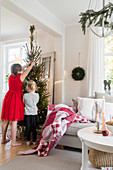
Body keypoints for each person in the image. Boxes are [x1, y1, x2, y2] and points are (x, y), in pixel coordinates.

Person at [1, 61, 35, 146]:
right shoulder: (21, 76)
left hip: (8, 97)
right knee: (14, 121)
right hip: (16, 99)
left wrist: (26, 65)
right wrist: (31, 65)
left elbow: (20, 70)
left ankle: (3, 139)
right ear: (19, 71)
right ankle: (13, 142)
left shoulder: (11, 76)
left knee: (6, 120)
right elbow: (27, 71)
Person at [23, 80, 39, 145]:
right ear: (35, 87)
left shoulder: (25, 95)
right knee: (34, 128)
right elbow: (36, 102)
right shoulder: (37, 95)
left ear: (28, 88)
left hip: (27, 114)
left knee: (28, 128)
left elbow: (23, 102)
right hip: (34, 114)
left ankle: (28, 141)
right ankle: (34, 141)